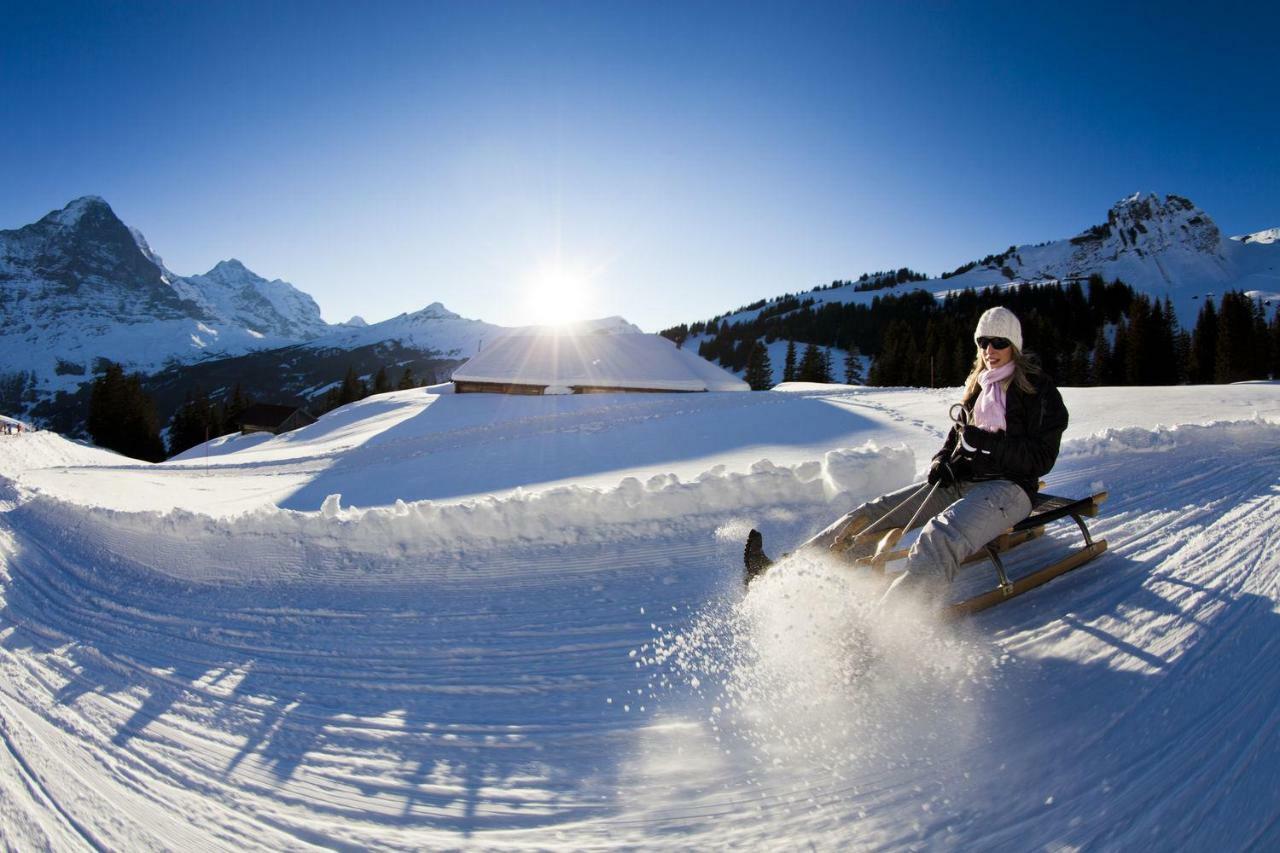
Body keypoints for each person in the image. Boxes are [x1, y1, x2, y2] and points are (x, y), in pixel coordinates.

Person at [745, 306, 1069, 610]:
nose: (990, 350)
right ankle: (783, 573)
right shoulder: (979, 388)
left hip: (1008, 489)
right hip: (963, 481)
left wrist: (987, 444)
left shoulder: (1037, 391)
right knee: (872, 512)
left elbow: (1041, 458)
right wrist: (941, 461)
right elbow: (956, 437)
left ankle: (888, 628)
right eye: (983, 342)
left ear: (1013, 345)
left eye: (999, 342)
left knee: (941, 535)